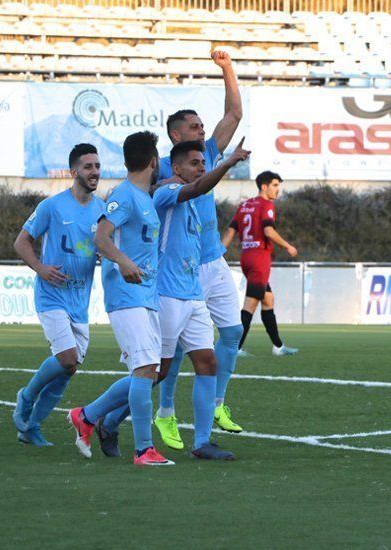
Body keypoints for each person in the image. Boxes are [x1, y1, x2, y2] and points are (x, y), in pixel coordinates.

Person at [94, 139, 250, 459]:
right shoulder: (166, 194)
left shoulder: (189, 197)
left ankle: (202, 442)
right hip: (166, 295)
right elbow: (193, 188)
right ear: (175, 168)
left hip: (193, 295)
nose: (201, 168)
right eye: (194, 163)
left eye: (202, 163)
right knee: (156, 372)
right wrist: (227, 164)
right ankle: (106, 419)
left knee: (207, 362)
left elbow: (198, 189)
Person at [151, 50, 246, 443]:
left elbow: (234, 115)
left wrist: (228, 69)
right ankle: (166, 411)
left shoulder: (206, 152)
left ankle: (218, 401)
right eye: (194, 126)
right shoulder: (162, 169)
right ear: (176, 135)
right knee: (171, 352)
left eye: (203, 125)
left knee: (233, 332)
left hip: (212, 260)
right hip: (178, 270)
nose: (203, 130)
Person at [66, 131, 173, 466]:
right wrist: (123, 260)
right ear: (153, 161)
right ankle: (144, 450)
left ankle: (88, 416)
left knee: (148, 371)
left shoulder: (143, 197)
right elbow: (100, 237)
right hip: (126, 295)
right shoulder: (124, 196)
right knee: (145, 369)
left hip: (145, 295)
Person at [11, 143, 104, 446]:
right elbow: (21, 242)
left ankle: (31, 427)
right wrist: (40, 267)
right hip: (52, 296)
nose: (95, 172)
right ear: (74, 171)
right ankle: (26, 398)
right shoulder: (52, 206)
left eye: (97, 166)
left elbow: (106, 246)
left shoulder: (102, 210)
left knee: (69, 368)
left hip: (80, 300)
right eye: (88, 167)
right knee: (66, 358)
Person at [221, 171, 298, 356]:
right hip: (259, 259)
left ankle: (278, 346)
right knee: (250, 305)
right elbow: (269, 231)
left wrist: (218, 254)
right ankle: (234, 348)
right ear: (264, 186)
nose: (277, 190)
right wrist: (288, 246)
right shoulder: (267, 205)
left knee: (268, 299)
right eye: (274, 185)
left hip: (247, 257)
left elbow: (231, 232)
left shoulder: (244, 205)